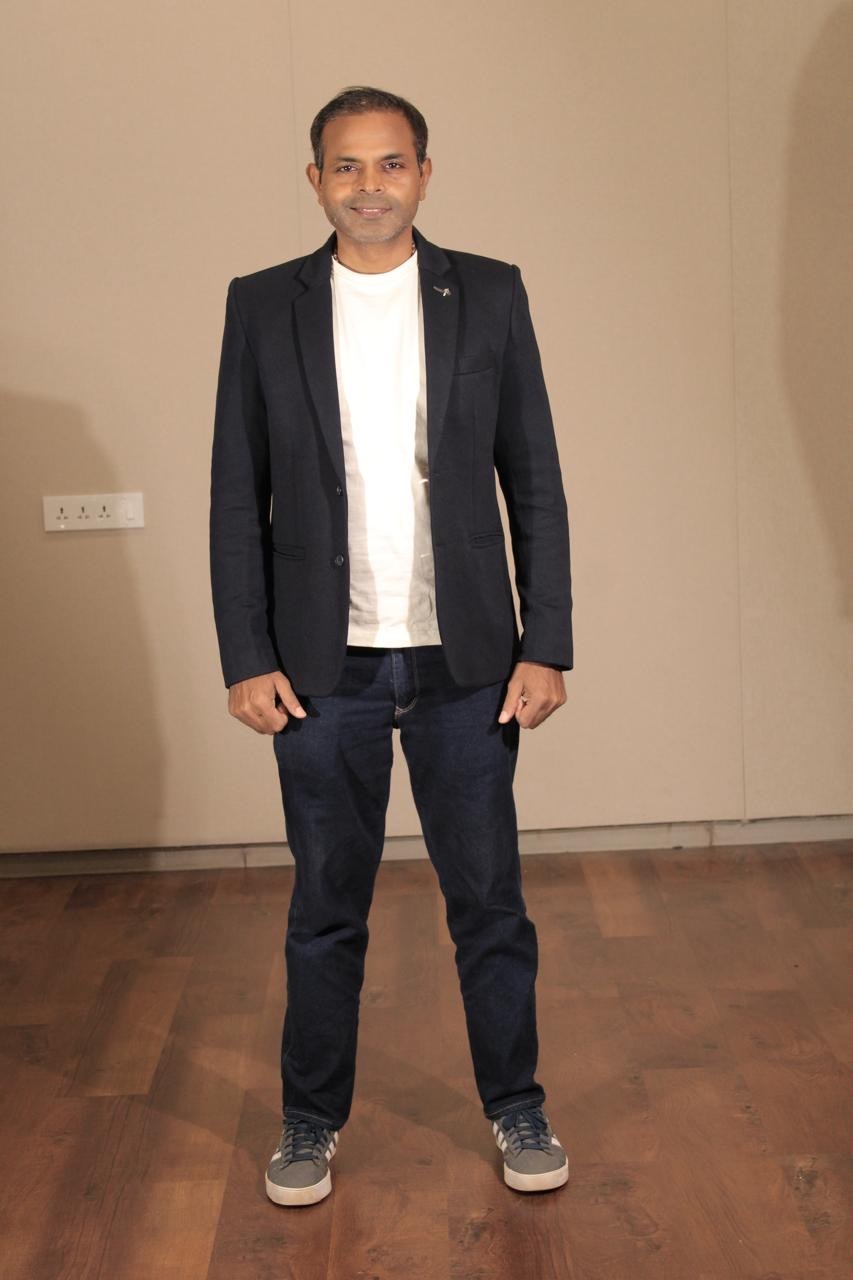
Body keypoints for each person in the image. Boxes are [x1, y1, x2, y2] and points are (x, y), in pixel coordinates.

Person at [210, 86, 573, 1207]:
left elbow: (534, 479)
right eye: (346, 165)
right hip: (323, 671)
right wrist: (246, 654)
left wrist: (546, 641)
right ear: (314, 180)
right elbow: (235, 495)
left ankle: (517, 1104)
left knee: (490, 904)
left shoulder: (490, 292)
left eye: (390, 162)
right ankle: (309, 1120)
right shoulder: (262, 304)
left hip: (467, 663)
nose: (369, 185)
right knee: (326, 907)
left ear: (424, 172)